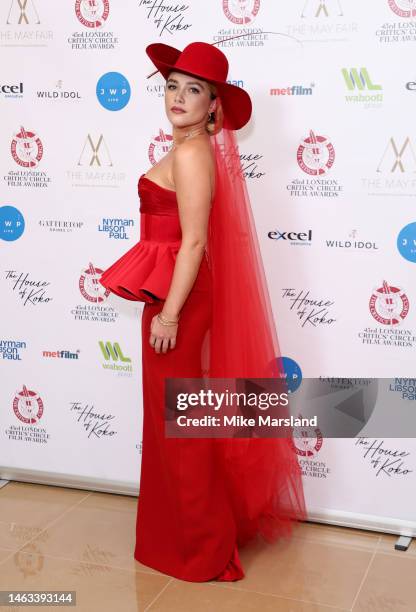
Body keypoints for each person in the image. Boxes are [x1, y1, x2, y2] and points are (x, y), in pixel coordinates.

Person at [99, 41, 307, 582]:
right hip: (169, 296)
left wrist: (169, 316)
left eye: (194, 90)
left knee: (180, 426)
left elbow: (192, 243)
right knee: (172, 424)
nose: (179, 97)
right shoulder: (185, 150)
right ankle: (174, 538)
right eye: (172, 85)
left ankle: (203, 547)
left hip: (179, 302)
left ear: (214, 105)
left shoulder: (192, 155)